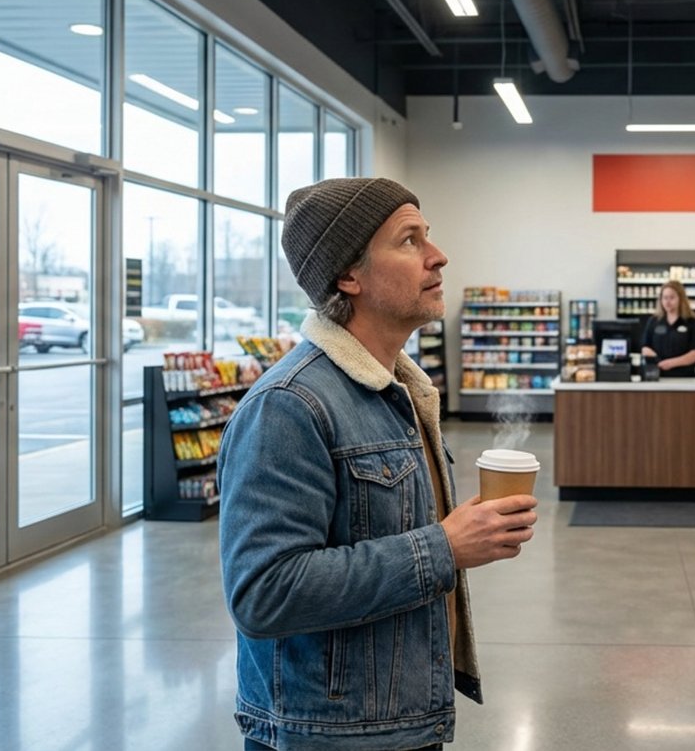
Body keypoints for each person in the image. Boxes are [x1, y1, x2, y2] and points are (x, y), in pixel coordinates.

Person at [218, 177, 538, 751]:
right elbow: (263, 592)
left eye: (428, 237)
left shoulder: (399, 392)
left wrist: (466, 532)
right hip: (330, 736)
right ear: (349, 275)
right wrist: (444, 546)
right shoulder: (289, 406)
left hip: (394, 720)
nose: (438, 257)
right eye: (409, 240)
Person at [639, 279, 695, 378]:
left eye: (672, 297)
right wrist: (655, 358)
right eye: (665, 298)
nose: (667, 302)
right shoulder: (654, 321)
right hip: (657, 376)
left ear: (681, 299)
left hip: (685, 378)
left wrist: (672, 363)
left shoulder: (691, 321)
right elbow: (645, 347)